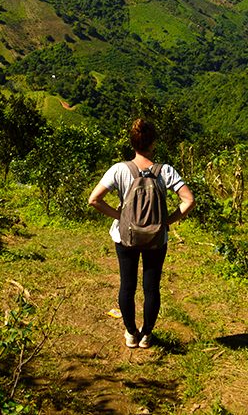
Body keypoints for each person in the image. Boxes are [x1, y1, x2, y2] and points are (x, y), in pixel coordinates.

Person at [88, 118, 195, 349]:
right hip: (157, 239)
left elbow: (94, 200)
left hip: (125, 238)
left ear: (132, 143)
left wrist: (120, 217)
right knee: (151, 287)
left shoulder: (119, 169)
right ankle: (146, 335)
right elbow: (189, 200)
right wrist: (166, 222)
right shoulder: (165, 171)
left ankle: (130, 333)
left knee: (127, 285)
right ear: (153, 144)